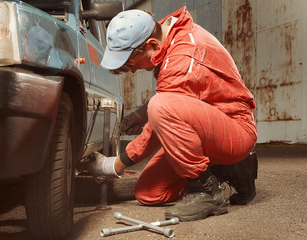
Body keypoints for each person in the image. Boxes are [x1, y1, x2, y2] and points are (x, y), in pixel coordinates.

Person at [90, 7, 258, 222]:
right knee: (148, 193)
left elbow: (162, 114)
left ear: (152, 45)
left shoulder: (184, 55)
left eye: (134, 64)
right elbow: (181, 95)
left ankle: (207, 191)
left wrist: (113, 165)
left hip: (236, 130)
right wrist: (141, 115)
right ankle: (226, 174)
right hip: (206, 130)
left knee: (160, 107)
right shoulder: (168, 37)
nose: (133, 70)